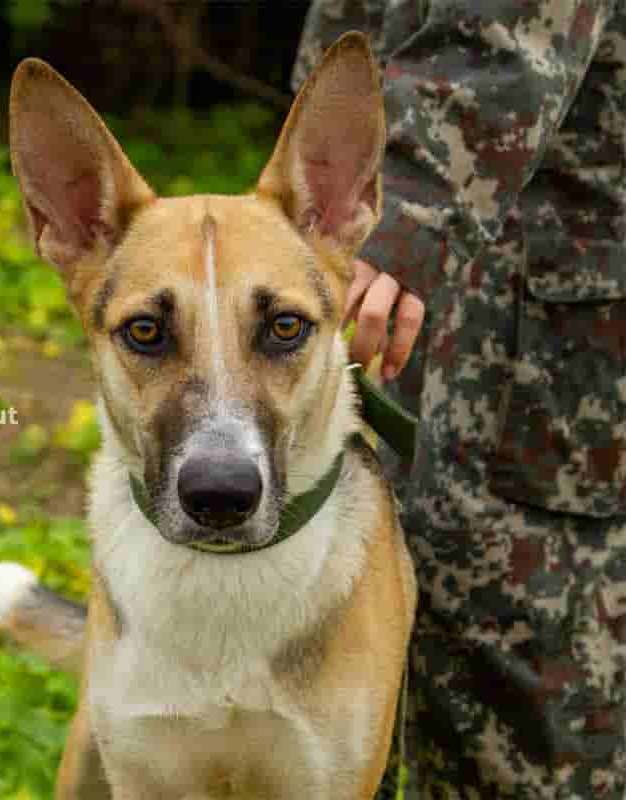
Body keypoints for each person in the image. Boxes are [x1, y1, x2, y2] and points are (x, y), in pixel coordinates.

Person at [293, 1, 626, 798]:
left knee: (518, 726)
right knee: (343, 703)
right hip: (391, 320)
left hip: (542, 352)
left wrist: (381, 209)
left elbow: (501, 38)